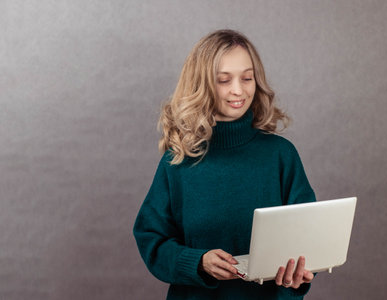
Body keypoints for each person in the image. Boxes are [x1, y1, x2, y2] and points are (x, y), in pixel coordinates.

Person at [134, 29, 316, 300]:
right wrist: (198, 262)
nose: (238, 90)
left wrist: (298, 277)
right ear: (202, 84)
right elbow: (151, 238)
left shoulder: (281, 155)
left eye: (247, 78)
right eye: (223, 80)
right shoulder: (179, 160)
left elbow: (309, 240)